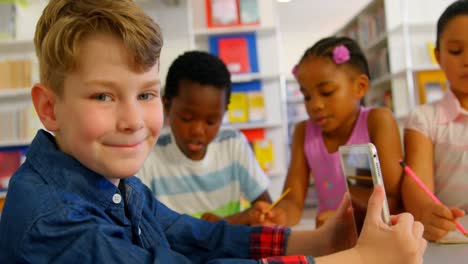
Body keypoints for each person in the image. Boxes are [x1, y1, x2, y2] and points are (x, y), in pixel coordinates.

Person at [0, 0, 427, 263]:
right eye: (103, 97)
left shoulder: (115, 182)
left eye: (146, 95)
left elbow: (197, 235)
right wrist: (361, 260)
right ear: (49, 108)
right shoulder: (52, 221)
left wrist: (317, 239)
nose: (133, 120)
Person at [265, 37, 404, 227]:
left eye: (327, 92)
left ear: (360, 87)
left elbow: (394, 197)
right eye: (306, 96)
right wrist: (278, 216)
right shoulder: (303, 132)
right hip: (331, 241)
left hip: (376, 237)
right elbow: (293, 200)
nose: (315, 105)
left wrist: (347, 217)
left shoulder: (377, 121)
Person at [138, 51, 272, 225]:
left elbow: (265, 205)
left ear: (224, 113)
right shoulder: (149, 154)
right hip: (173, 252)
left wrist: (245, 218)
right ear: (167, 106)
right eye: (187, 118)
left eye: (211, 121)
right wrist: (218, 228)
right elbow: (143, 227)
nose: (198, 131)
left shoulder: (233, 143)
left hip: (230, 251)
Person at [402, 0, 468, 241]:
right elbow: (415, 185)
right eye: (456, 51)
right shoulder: (423, 119)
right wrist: (424, 211)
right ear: (438, 56)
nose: (467, 60)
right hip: (451, 237)